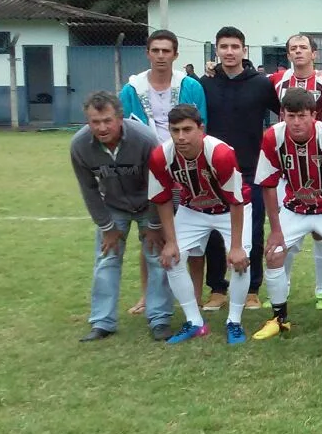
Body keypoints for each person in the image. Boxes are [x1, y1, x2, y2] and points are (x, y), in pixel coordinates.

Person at [254, 89, 322, 343]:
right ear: (282, 115)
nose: (297, 122)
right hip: (294, 208)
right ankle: (279, 318)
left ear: (314, 115)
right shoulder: (273, 137)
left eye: (302, 116)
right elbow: (267, 184)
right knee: (274, 254)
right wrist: (276, 230)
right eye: (291, 116)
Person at [118, 29, 207, 315]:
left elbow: (203, 126)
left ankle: (194, 297)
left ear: (175, 54)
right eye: (155, 50)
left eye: (166, 51)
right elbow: (125, 131)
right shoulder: (132, 89)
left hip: (186, 169)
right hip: (148, 171)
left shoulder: (190, 86)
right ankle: (148, 296)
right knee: (151, 235)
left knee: (193, 237)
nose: (160, 56)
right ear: (147, 53)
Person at [148, 105, 252, 345]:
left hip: (231, 209)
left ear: (200, 129)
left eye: (187, 129)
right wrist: (171, 242)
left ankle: (234, 321)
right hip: (192, 209)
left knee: (240, 260)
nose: (181, 137)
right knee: (171, 258)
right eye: (175, 130)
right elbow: (162, 199)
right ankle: (194, 321)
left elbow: (236, 201)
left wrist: (236, 247)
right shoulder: (160, 156)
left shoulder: (220, 153)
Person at [71, 92, 171, 342]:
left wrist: (154, 224)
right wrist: (107, 226)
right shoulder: (80, 146)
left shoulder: (145, 139)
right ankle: (102, 322)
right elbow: (88, 189)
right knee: (106, 259)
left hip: (148, 203)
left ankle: (159, 319)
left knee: (157, 258)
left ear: (120, 118)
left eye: (107, 121)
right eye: (95, 122)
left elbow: (158, 184)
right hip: (113, 205)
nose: (102, 128)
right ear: (87, 121)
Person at [199, 26, 280, 314]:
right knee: (213, 232)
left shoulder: (260, 83)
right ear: (217, 50)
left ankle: (252, 288)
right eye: (224, 47)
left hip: (250, 170)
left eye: (235, 46)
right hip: (212, 173)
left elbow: (284, 113)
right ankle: (218, 288)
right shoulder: (205, 83)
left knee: (254, 230)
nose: (229, 52)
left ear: (244, 50)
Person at [269, 34, 322, 313]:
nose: (298, 52)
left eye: (303, 47)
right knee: (288, 231)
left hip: (320, 163)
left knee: (321, 233)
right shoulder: (276, 81)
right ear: (288, 54)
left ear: (314, 53)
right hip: (287, 164)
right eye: (293, 48)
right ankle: (282, 285)